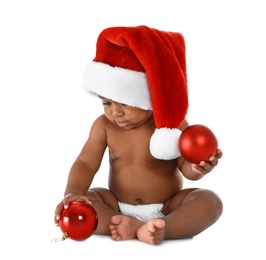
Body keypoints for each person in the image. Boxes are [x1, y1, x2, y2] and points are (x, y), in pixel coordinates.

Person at [54, 25, 223, 245]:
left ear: (150, 96)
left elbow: (186, 169)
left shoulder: (172, 125)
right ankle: (126, 224)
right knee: (92, 199)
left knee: (210, 201)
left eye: (125, 102)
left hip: (167, 206)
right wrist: (73, 194)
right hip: (116, 204)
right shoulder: (103, 126)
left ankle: (162, 229)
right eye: (106, 102)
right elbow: (85, 163)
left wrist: (197, 168)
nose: (115, 112)